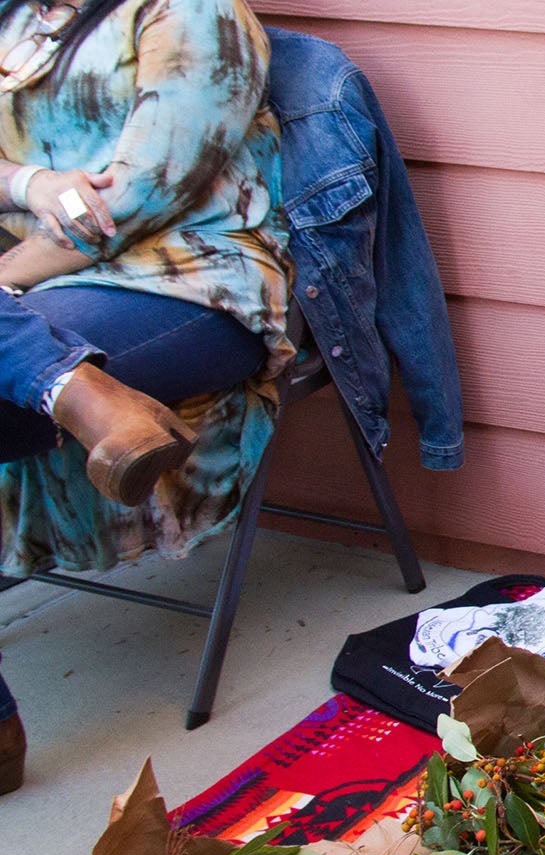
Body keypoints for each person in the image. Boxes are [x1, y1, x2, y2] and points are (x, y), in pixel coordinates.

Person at [0, 0, 291, 795]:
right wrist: (30, 179)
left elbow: (135, 193)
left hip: (179, 283)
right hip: (32, 301)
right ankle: (78, 391)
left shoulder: (190, 13)